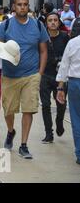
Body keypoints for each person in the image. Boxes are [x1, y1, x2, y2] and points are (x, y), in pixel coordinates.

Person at [0, 0, 49, 159]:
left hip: (31, 74)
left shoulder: (38, 25)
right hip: (10, 75)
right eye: (19, 5)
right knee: (8, 110)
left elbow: (43, 50)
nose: (22, 7)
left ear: (29, 6)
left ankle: (24, 145)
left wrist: (39, 73)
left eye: (25, 4)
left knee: (29, 110)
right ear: (13, 6)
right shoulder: (5, 25)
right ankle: (11, 131)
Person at [39, 12, 69, 143]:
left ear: (59, 22)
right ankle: (48, 133)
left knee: (61, 104)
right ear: (46, 23)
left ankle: (59, 121)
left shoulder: (64, 37)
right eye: (50, 20)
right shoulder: (42, 37)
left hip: (60, 77)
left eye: (55, 20)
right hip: (45, 75)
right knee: (45, 105)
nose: (52, 22)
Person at [56, 31, 80, 165]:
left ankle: (79, 153)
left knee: (76, 119)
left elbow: (64, 65)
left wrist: (60, 87)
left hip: (75, 83)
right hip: (74, 82)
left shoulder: (73, 42)